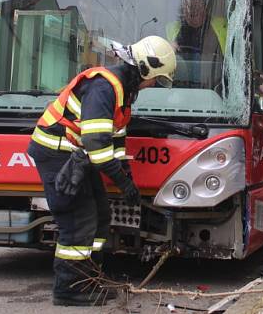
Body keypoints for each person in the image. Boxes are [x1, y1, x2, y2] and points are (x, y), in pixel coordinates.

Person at [27, 36, 176, 306]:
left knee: (100, 216)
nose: (155, 84)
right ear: (144, 68)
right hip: (56, 153)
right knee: (78, 219)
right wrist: (122, 182)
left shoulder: (123, 91)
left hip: (76, 155)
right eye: (156, 78)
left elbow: (115, 139)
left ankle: (89, 279)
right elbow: (97, 144)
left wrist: (127, 178)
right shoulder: (103, 88)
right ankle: (68, 289)